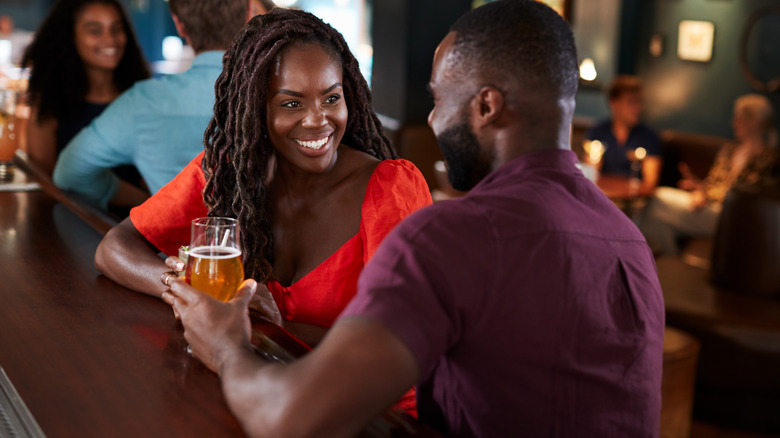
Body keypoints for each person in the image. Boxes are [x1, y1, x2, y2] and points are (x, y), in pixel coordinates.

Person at [162, 1, 666, 437]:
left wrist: (227, 343)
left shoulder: (450, 237)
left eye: (438, 97)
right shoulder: (631, 242)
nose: (431, 119)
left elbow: (291, 420)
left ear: (485, 106)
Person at [95, 8, 431, 410]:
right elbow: (114, 248)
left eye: (331, 98)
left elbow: (397, 344)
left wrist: (257, 328)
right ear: (257, 108)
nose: (318, 121)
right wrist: (184, 291)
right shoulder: (226, 175)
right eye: (291, 103)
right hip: (256, 393)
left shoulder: (391, 188)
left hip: (367, 412)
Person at [52, 0, 248, 210]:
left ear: (179, 24)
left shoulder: (142, 101)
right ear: (248, 15)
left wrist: (145, 202)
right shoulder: (275, 94)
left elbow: (69, 172)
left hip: (174, 241)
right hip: (264, 241)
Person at [21, 0, 149, 180]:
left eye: (116, 29)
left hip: (143, 207)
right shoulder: (50, 101)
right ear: (70, 37)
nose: (110, 39)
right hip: (69, 208)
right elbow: (44, 182)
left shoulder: (143, 96)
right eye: (95, 30)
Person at [637, 94, 778, 256]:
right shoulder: (729, 150)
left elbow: (744, 195)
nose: (734, 123)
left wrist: (706, 194)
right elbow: (713, 183)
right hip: (710, 207)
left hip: (731, 215)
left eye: (739, 118)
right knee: (658, 221)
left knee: (658, 197)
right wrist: (699, 188)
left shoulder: (767, 158)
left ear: (754, 122)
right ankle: (669, 264)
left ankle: (645, 261)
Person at [586, 75, 662, 189]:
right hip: (604, 197)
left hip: (635, 202)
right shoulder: (598, 131)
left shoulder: (650, 136)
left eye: (639, 102)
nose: (637, 108)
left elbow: (650, 183)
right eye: (631, 102)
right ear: (614, 103)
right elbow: (591, 173)